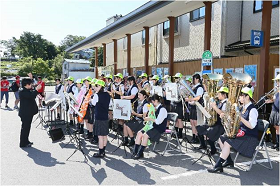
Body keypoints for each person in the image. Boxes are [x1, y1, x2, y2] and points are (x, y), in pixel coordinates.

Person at [208, 87, 259, 173]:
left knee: (227, 143)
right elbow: (236, 121)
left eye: (241, 95)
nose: (239, 97)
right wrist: (224, 117)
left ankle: (218, 165)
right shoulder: (243, 107)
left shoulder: (252, 109)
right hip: (242, 134)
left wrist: (240, 118)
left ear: (247, 97)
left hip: (249, 138)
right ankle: (229, 161)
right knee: (221, 139)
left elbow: (252, 126)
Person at [132, 94, 167, 159]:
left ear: (156, 101)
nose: (151, 103)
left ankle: (140, 153)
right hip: (152, 126)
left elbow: (158, 122)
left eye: (152, 102)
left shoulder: (162, 109)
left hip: (159, 128)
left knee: (145, 135)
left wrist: (149, 119)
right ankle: (135, 151)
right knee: (139, 133)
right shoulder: (154, 108)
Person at [196, 87, 227, 154]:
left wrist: (214, 107)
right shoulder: (219, 102)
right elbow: (214, 112)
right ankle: (203, 145)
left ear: (224, 95)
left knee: (208, 133)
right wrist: (207, 110)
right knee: (200, 128)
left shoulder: (226, 103)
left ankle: (213, 149)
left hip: (221, 125)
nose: (218, 95)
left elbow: (222, 113)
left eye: (219, 94)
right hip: (215, 123)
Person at [19, 78, 42, 147]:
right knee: (25, 128)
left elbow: (33, 94)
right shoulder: (22, 92)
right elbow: (31, 96)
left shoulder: (27, 90)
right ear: (26, 85)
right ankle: (23, 143)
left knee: (27, 127)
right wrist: (36, 90)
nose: (31, 85)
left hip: (28, 112)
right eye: (30, 84)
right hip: (25, 113)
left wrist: (36, 90)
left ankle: (26, 140)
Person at [91, 79, 111, 158]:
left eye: (96, 86)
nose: (94, 87)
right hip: (105, 116)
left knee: (100, 136)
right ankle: (103, 151)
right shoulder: (107, 94)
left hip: (99, 116)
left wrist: (91, 99)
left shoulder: (97, 95)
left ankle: (100, 152)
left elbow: (93, 103)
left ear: (100, 86)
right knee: (104, 135)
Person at [185, 74, 204, 143]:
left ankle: (198, 137)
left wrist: (190, 99)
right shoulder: (194, 87)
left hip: (197, 107)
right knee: (192, 122)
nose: (192, 81)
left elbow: (198, 97)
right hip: (192, 106)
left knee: (196, 123)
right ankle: (194, 136)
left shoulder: (200, 87)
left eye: (193, 79)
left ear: (197, 79)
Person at [121, 76, 139, 146]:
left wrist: (124, 97)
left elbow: (132, 96)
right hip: (128, 106)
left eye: (128, 81)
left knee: (129, 123)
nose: (127, 82)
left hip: (132, 106)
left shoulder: (134, 87)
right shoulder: (131, 87)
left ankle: (132, 139)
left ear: (131, 81)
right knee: (125, 123)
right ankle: (125, 139)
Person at [266, 74, 280, 151]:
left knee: (279, 128)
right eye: (277, 81)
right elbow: (274, 99)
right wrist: (269, 100)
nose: (277, 83)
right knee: (276, 127)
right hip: (274, 109)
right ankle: (277, 143)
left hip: (279, 111)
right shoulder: (277, 92)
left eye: (278, 81)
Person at [172, 72, 185, 139]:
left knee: (179, 119)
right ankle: (176, 132)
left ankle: (180, 134)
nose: (176, 79)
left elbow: (181, 94)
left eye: (177, 78)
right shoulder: (176, 85)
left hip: (180, 104)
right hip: (175, 103)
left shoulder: (182, 86)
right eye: (175, 78)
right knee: (176, 119)